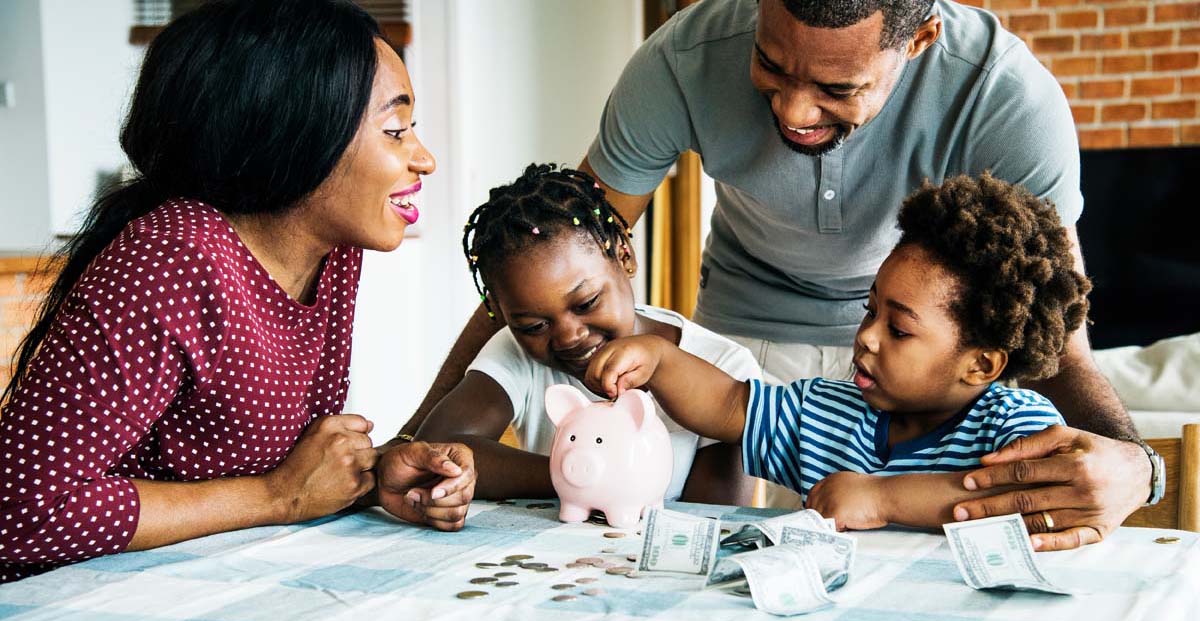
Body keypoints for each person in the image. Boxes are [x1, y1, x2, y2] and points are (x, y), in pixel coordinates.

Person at [399, 0, 1159, 550]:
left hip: (929, 346)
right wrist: (406, 442)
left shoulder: (1006, 100)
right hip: (746, 335)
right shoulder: (682, 59)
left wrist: (1138, 464)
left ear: (921, 38)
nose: (794, 109)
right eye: (771, 63)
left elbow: (1062, 348)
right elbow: (553, 248)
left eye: (838, 88)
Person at [0, 0, 474, 584]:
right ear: (294, 134)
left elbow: (292, 467)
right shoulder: (172, 259)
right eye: (395, 130)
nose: (423, 158)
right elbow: (19, 512)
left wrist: (372, 478)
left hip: (203, 583)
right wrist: (276, 498)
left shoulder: (331, 250)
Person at [585, 173, 1092, 535]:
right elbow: (729, 406)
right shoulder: (828, 412)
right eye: (871, 312)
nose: (867, 337)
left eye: (899, 329)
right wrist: (660, 360)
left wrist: (881, 498)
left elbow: (1015, 502)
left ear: (980, 364)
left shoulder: (1016, 427)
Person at [392, 164, 758, 506]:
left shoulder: (724, 366)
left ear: (624, 256)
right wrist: (573, 476)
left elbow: (716, 517)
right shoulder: (516, 350)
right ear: (501, 313)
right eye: (534, 326)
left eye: (586, 303)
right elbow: (435, 450)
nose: (568, 337)